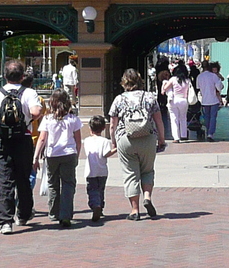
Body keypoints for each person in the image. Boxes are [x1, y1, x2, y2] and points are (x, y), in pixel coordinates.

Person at [0, 59, 42, 235]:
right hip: (23, 140)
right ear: (22, 76)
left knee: (2, 180)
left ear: (4, 75)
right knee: (23, 178)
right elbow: (36, 112)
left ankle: (5, 222)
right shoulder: (29, 92)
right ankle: (23, 214)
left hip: (2, 141)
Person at [108, 68, 166, 220]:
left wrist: (113, 142)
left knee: (130, 174)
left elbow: (113, 125)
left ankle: (135, 210)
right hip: (148, 138)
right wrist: (161, 139)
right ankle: (147, 197)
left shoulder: (119, 99)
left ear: (124, 82)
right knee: (147, 170)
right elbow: (159, 120)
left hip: (126, 139)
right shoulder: (150, 97)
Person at [32, 87, 82, 228]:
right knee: (68, 184)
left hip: (52, 155)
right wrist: (77, 155)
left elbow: (42, 139)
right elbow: (78, 140)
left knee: (53, 183)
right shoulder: (73, 119)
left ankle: (54, 212)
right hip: (69, 154)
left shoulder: (47, 119)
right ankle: (65, 215)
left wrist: (35, 157)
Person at [82, 114, 115, 223]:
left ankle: (95, 205)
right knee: (101, 190)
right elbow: (106, 154)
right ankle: (100, 206)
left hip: (90, 171)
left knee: (92, 190)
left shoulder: (87, 141)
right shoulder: (105, 141)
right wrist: (116, 149)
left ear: (90, 128)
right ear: (103, 128)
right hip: (102, 171)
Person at [162, 63, 193, 143]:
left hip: (174, 100)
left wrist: (165, 83)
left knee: (174, 119)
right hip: (184, 100)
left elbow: (165, 88)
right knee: (183, 118)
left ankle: (176, 137)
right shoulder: (187, 80)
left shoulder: (173, 79)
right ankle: (183, 135)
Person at [196, 61, 224, 142]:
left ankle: (208, 131)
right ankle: (210, 133)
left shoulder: (199, 77)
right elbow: (219, 87)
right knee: (213, 117)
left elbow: (198, 88)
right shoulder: (213, 76)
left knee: (207, 117)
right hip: (214, 100)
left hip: (204, 100)